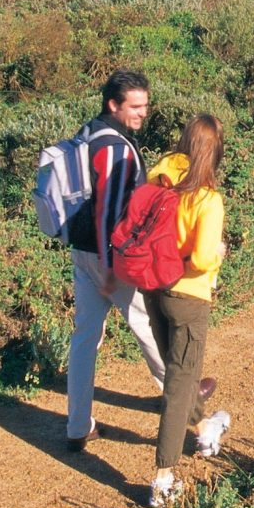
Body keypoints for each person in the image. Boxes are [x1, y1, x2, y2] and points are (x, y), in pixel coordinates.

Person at [65, 70, 214, 452]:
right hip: (112, 255)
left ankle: (78, 425)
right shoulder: (115, 148)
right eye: (135, 106)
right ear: (113, 104)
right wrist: (112, 268)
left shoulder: (88, 133)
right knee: (149, 327)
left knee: (85, 338)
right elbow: (109, 213)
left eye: (145, 105)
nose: (142, 113)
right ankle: (190, 407)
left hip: (81, 250)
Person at [145, 113, 232, 507]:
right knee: (179, 386)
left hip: (152, 288)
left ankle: (203, 428)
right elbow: (199, 256)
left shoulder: (157, 179)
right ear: (215, 153)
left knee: (181, 375)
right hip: (189, 297)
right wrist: (217, 256)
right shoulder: (207, 200)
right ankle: (163, 477)